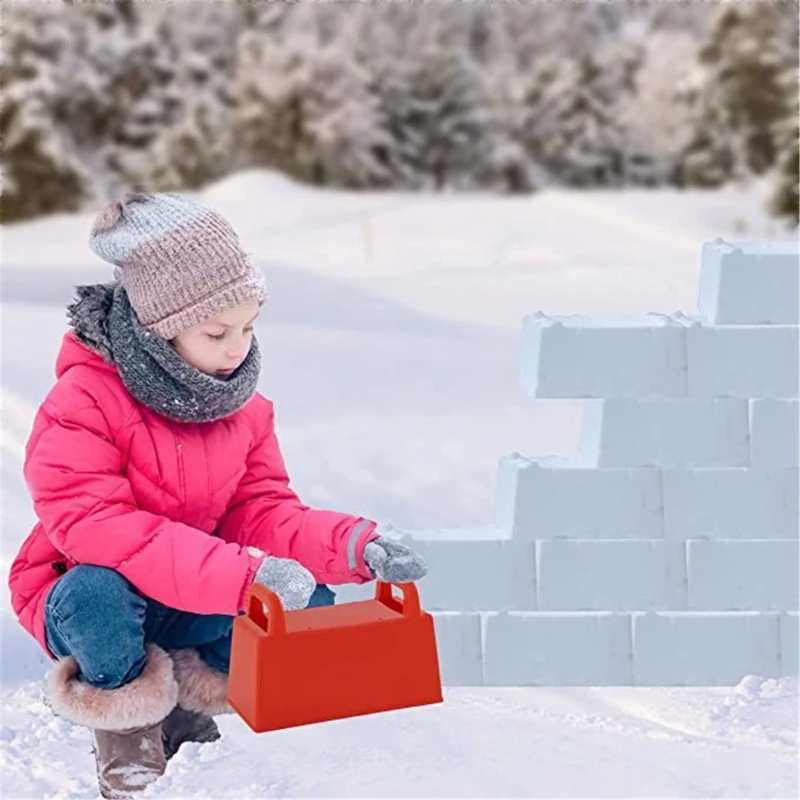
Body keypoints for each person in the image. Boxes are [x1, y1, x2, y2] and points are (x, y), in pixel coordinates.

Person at [7, 192, 427, 799]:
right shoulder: (83, 403)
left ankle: (188, 704)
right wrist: (242, 577)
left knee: (309, 594)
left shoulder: (244, 412)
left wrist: (353, 545)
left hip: (192, 588)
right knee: (98, 595)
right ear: (160, 329)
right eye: (216, 331)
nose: (238, 348)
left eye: (249, 326)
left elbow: (263, 511)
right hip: (83, 589)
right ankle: (129, 728)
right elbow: (95, 525)